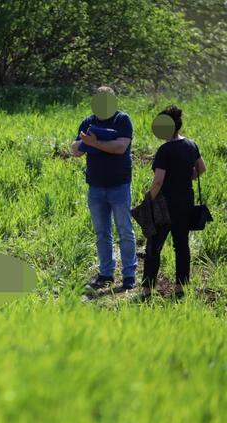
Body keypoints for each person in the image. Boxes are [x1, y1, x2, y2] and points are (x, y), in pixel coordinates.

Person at [71, 86, 138, 293]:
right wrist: (86, 143)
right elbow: (74, 149)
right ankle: (106, 273)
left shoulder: (122, 120)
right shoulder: (88, 121)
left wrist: (95, 143)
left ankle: (129, 275)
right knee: (102, 233)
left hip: (119, 185)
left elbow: (121, 147)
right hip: (95, 186)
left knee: (125, 231)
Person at [138, 106, 207, 301]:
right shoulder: (191, 145)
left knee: (154, 246)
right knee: (182, 245)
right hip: (185, 202)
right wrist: (186, 177)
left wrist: (148, 199)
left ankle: (147, 291)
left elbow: (158, 181)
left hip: (164, 205)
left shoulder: (164, 150)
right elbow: (201, 168)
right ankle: (180, 287)